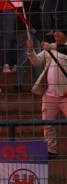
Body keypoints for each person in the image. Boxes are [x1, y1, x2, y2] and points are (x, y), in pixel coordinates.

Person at [28, 29, 67, 157]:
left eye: (60, 31)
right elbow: (36, 61)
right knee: (47, 124)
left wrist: (50, 47)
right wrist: (30, 50)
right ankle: (51, 150)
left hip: (65, 95)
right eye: (55, 31)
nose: (56, 33)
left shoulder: (52, 47)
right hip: (49, 94)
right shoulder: (48, 48)